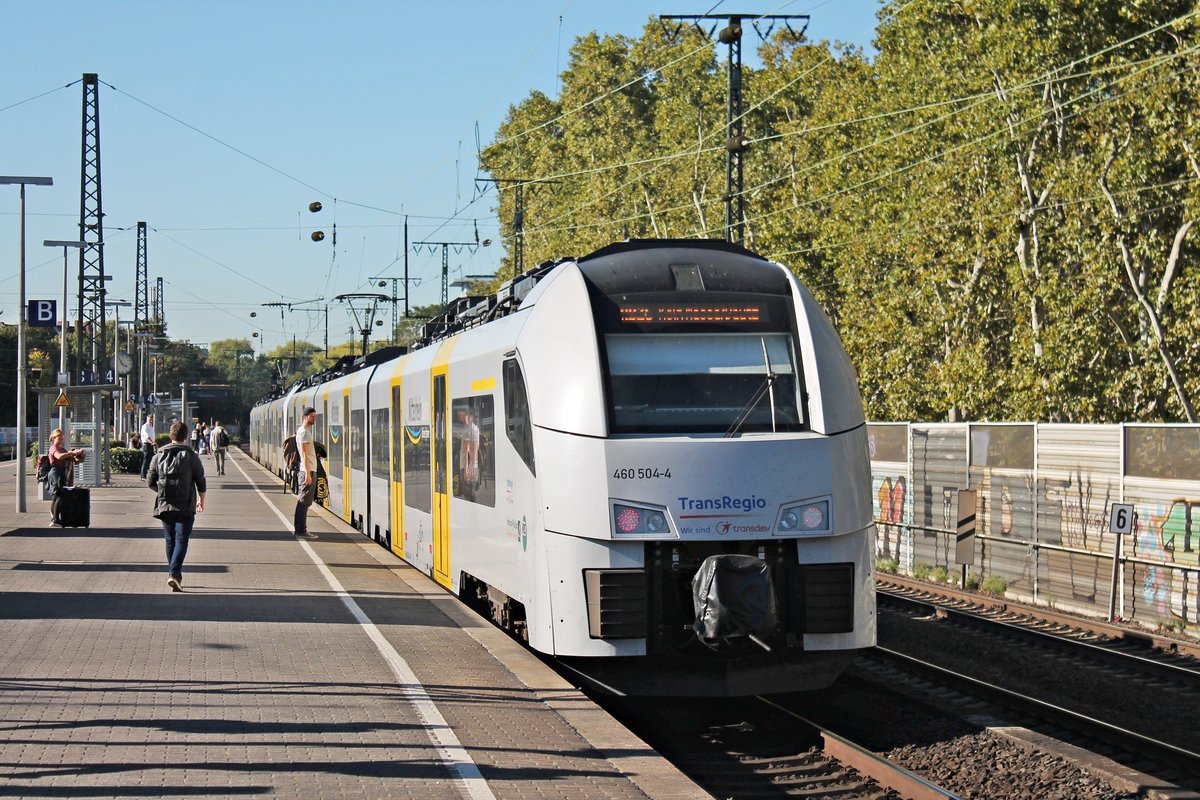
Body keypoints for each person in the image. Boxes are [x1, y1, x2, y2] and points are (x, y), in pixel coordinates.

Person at [147, 421, 206, 592]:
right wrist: (201, 501)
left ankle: (174, 574)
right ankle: (174, 574)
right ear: (186, 437)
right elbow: (201, 481)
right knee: (181, 540)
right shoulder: (192, 456)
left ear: (170, 435)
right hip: (186, 505)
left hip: (165, 505)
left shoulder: (158, 455)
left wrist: (163, 493)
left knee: (170, 540)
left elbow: (150, 482)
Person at [46, 428, 85, 527]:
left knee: (57, 496)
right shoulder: (54, 447)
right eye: (59, 437)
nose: (61, 440)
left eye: (62, 438)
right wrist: (71, 453)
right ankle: (55, 519)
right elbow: (59, 456)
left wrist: (79, 455)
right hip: (55, 472)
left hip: (61, 472)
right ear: (54, 437)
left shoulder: (62, 448)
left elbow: (73, 460)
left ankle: (55, 519)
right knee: (59, 495)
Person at [293, 407, 318, 538]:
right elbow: (304, 454)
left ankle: (301, 529)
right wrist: (308, 474)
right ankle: (301, 530)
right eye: (312, 416)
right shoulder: (303, 432)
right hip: (306, 471)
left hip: (308, 469)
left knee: (304, 500)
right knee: (304, 501)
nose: (314, 419)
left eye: (315, 416)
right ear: (305, 417)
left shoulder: (305, 431)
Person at [139, 414, 156, 480]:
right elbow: (146, 436)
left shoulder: (151, 427)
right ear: (147, 419)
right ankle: (143, 476)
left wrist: (154, 443)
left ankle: (148, 474)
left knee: (151, 460)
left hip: (151, 445)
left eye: (152, 419)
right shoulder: (145, 426)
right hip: (146, 445)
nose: (151, 420)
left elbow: (152, 436)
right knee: (146, 460)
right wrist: (152, 442)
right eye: (150, 419)